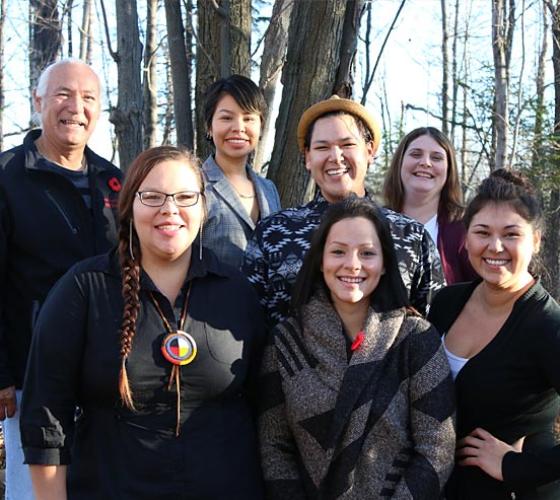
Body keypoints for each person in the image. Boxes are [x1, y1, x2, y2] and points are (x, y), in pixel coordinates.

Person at [20, 146, 266, 499]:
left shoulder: (236, 292)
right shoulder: (84, 288)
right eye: (152, 196)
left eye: (185, 197)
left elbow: (266, 406)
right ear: (129, 206)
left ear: (203, 207)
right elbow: (45, 415)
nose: (170, 209)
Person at [258, 197, 456, 499]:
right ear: (320, 259)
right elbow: (274, 445)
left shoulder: (415, 339)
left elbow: (437, 448)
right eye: (338, 251)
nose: (352, 264)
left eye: (367, 253)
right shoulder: (286, 341)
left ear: (385, 262)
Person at [0, 58, 122, 500]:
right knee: (36, 491)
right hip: (32, 375)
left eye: (88, 97)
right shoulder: (8, 176)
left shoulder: (115, 182)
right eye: (63, 94)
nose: (76, 107)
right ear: (38, 102)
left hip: (107, 375)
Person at [242, 96, 444, 326]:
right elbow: (249, 324)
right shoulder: (273, 232)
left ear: (370, 151)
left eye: (347, 145)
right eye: (322, 147)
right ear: (308, 157)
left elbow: (433, 328)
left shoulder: (410, 236)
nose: (335, 157)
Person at [428, 169, 560, 499]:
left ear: (535, 240)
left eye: (511, 234)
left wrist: (516, 467)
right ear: (467, 238)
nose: (495, 246)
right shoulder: (446, 304)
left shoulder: (547, 325)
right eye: (482, 232)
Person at [201, 74, 281, 268]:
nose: (239, 128)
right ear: (209, 127)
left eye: (248, 118)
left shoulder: (269, 189)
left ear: (261, 125)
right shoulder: (194, 186)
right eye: (227, 118)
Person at [383, 126, 476, 284]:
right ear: (400, 162)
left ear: (449, 170)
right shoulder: (376, 223)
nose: (425, 163)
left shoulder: (466, 228)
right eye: (416, 154)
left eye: (436, 157)